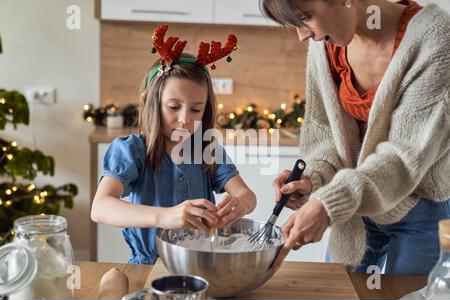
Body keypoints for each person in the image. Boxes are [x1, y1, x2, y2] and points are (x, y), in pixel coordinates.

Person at [261, 0, 450, 275]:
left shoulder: (435, 38)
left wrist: (329, 204)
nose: (303, 35)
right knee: (337, 292)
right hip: (355, 206)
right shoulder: (326, 44)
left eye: (306, 17)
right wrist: (312, 177)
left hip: (420, 208)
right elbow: (325, 132)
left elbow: (404, 157)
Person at [91, 25, 256, 264]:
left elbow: (247, 194)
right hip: (148, 268)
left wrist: (242, 203)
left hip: (201, 266)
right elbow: (100, 208)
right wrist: (165, 216)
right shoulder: (131, 150)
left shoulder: (206, 148)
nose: (185, 119)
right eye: (173, 107)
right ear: (150, 101)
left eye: (196, 109)